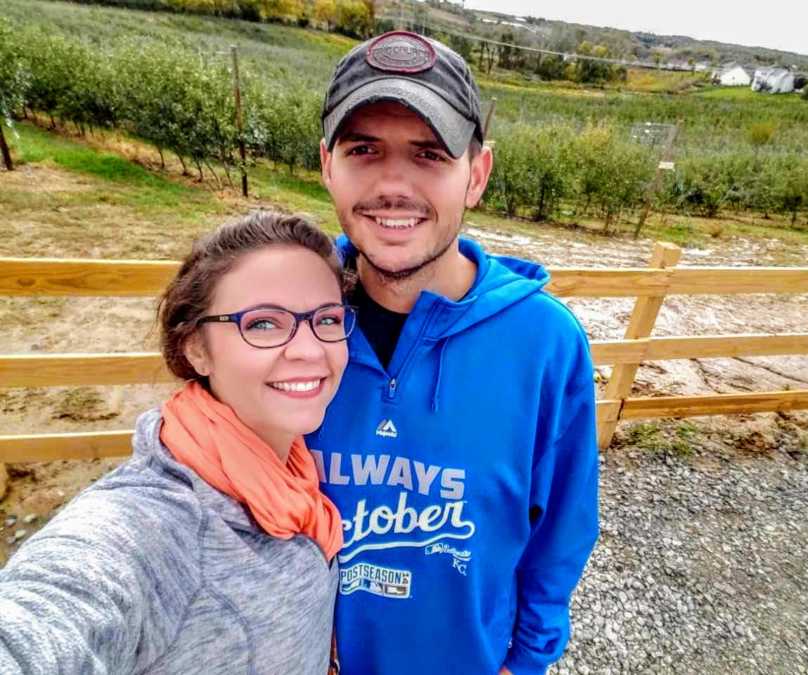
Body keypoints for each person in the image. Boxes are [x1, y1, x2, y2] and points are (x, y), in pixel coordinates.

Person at [307, 31, 600, 675]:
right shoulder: (285, 322)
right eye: (364, 150)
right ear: (327, 164)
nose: (394, 184)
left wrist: (525, 660)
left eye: (430, 154)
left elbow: (562, 530)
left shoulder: (544, 343)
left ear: (477, 174)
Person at [0, 212, 351, 674]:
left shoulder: (295, 481)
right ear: (196, 349)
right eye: (263, 323)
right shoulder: (153, 528)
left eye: (326, 318)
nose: (309, 349)